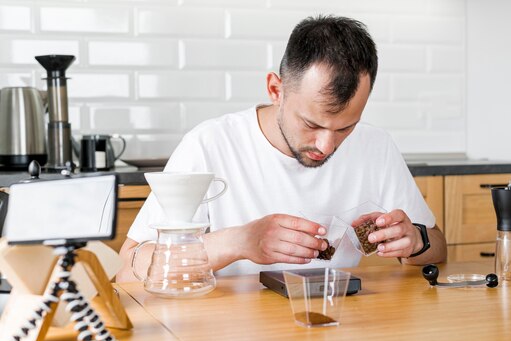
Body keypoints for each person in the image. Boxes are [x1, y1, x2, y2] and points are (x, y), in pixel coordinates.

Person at [117, 15, 446, 281]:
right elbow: (130, 266)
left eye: (346, 127)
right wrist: (239, 242)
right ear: (276, 89)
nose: (326, 145)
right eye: (311, 124)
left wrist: (416, 241)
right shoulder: (209, 145)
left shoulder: (375, 146)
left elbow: (438, 249)